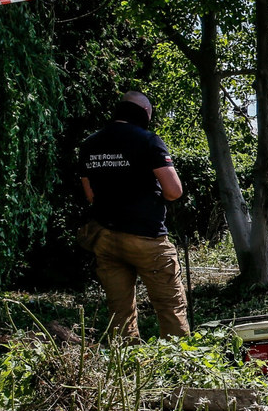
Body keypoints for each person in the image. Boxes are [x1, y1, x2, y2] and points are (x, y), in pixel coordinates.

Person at [79, 91, 190, 341]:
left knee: (120, 311)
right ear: (145, 114)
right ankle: (178, 364)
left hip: (106, 237)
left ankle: (126, 364)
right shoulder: (148, 140)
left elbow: (90, 195)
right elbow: (174, 191)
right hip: (146, 238)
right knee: (170, 305)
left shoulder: (90, 143)